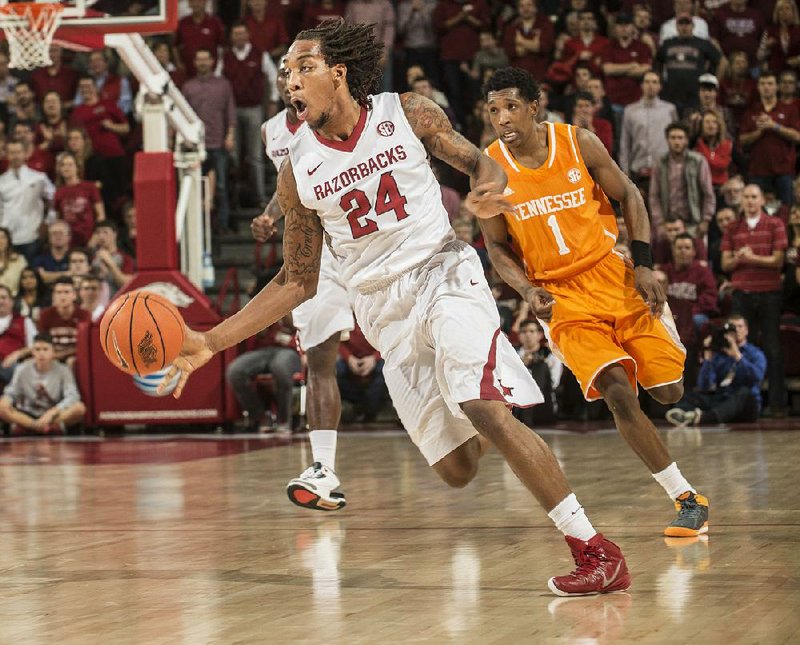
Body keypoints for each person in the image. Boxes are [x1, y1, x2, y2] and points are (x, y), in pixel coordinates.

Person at [164, 21, 631, 596]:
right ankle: (487, 408)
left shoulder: (405, 112)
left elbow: (478, 162)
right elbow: (297, 281)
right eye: (285, 72)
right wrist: (209, 342)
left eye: (303, 67)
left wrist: (486, 185)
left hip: (443, 272)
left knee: (482, 406)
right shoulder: (296, 171)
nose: (290, 81)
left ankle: (595, 550)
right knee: (457, 471)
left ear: (338, 72)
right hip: (383, 312)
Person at [481, 67, 708, 540]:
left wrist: (644, 264)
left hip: (613, 274)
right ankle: (686, 497)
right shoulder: (490, 169)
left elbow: (630, 195)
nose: (502, 118)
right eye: (493, 109)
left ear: (533, 107)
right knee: (618, 393)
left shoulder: (578, 142)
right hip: (560, 297)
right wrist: (525, 289)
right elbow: (497, 248)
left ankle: (659, 338)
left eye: (510, 107)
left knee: (668, 391)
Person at [255, 57, 354, 511]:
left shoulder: (336, 113)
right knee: (319, 358)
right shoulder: (270, 131)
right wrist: (269, 216)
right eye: (281, 74)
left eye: (295, 72)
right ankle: (324, 469)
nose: (287, 81)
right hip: (317, 257)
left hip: (365, 241)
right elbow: (288, 188)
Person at [720, 184, 788, 416]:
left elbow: (778, 261)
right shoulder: (732, 227)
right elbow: (725, 264)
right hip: (743, 293)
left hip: (769, 292)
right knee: (740, 346)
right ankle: (744, 405)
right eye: (746, 197)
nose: (749, 201)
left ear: (762, 200)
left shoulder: (775, 224)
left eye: (753, 197)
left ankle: (778, 404)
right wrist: (739, 259)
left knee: (772, 347)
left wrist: (750, 257)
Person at [665, 315, 766, 425]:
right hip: (722, 400)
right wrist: (708, 357)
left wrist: (737, 356)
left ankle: (706, 418)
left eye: (740, 326)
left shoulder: (755, 353)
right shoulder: (720, 354)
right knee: (692, 395)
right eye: (732, 327)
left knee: (744, 392)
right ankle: (685, 414)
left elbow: (757, 378)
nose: (736, 330)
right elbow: (704, 385)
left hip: (746, 407)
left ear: (746, 331)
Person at [0, 333, 85, 434]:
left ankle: (30, 428)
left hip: (53, 414)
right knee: (2, 407)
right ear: (32, 352)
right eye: (37, 349)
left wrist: (53, 412)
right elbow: (11, 392)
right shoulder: (22, 369)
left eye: (45, 349)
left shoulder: (63, 370)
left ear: (53, 352)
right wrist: (6, 400)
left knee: (79, 408)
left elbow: (72, 396)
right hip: (27, 414)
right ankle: (39, 427)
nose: (41, 353)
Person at [738, 71, 800, 206]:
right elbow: (742, 141)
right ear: (758, 87)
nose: (766, 87)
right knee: (756, 210)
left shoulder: (790, 109)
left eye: (770, 83)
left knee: (786, 210)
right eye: (763, 84)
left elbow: (797, 136)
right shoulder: (751, 111)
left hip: (784, 172)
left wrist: (774, 126)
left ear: (777, 87)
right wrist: (759, 132)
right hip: (758, 171)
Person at [648, 122, 716, 237]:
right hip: (668, 223)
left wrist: (705, 220)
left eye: (680, 138)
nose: (676, 141)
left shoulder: (698, 161)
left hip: (694, 223)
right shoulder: (660, 163)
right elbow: (654, 195)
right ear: (667, 140)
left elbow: (708, 192)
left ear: (686, 140)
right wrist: (659, 222)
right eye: (673, 138)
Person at [619, 71, 678, 188]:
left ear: (660, 86)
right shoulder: (630, 111)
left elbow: (677, 139)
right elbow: (625, 143)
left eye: (654, 82)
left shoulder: (670, 109)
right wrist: (625, 171)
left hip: (665, 170)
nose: (651, 85)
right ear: (642, 85)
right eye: (647, 82)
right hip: (637, 169)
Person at [0, 140, 55, 264]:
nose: (15, 156)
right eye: (12, 153)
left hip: (32, 236)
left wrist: (48, 222)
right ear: (6, 155)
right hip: (8, 239)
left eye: (18, 152)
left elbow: (54, 199)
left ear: (25, 154)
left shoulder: (39, 177)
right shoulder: (1, 181)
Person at [53, 152, 105, 249]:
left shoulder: (90, 187)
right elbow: (59, 220)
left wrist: (96, 236)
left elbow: (101, 215)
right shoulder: (59, 192)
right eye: (63, 165)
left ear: (77, 167)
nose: (66, 168)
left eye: (70, 164)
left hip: (90, 238)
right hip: (69, 242)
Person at [37, 277, 90, 362]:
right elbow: (43, 342)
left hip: (76, 357)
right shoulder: (45, 315)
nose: (62, 296)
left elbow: (85, 344)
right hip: (52, 357)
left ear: (74, 295)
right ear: (53, 296)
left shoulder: (84, 315)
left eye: (66, 292)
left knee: (71, 361)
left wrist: (62, 355)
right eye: (59, 292)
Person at [0, 284, 37, 384]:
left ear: (11, 302)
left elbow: (34, 345)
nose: (1, 301)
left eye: (3, 297)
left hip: (11, 363)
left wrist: (17, 354)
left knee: (18, 369)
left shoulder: (24, 321)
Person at [0, 226, 28, 296]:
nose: (0, 241)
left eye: (3, 237)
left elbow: (26, 281)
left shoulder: (19, 260)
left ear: (8, 240)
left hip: (15, 299)